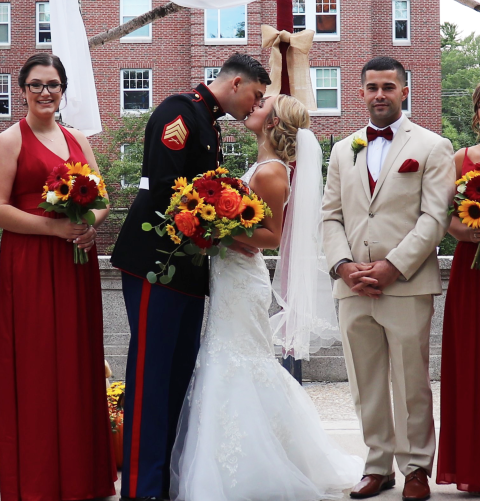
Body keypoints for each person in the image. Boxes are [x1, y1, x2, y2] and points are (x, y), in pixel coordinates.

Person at [169, 94, 364, 501]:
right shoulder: (262, 165)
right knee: (228, 355)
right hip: (229, 275)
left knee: (237, 359)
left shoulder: (273, 172)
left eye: (263, 104)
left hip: (243, 278)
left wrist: (212, 228)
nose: (253, 105)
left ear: (274, 122)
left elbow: (270, 237)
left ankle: (251, 466)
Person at [110, 53, 271, 500]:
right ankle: (142, 490)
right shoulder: (178, 112)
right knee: (151, 377)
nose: (253, 106)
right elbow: (165, 189)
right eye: (255, 95)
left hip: (187, 270)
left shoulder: (209, 121)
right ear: (236, 83)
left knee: (177, 378)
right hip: (155, 265)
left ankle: (162, 483)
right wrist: (224, 227)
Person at [322, 56, 455, 501]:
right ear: (360, 93)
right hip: (352, 286)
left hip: (407, 282)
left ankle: (417, 467)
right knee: (365, 381)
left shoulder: (434, 146)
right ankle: (377, 464)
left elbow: (434, 218)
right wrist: (343, 265)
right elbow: (330, 216)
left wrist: (393, 265)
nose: (380, 94)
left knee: (412, 379)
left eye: (389, 86)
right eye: (372, 87)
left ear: (405, 91)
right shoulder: (344, 149)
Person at [0, 54, 116, 501]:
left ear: (63, 89)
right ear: (23, 90)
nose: (45, 92)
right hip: (28, 263)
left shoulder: (78, 140)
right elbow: (1, 208)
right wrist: (53, 226)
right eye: (36, 85)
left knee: (76, 358)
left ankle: (81, 476)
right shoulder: (10, 141)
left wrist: (89, 225)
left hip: (74, 264)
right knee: (35, 363)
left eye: (52, 85)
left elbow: (102, 195)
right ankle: (35, 477)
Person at [436, 83, 480, 492]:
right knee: (473, 361)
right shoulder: (461, 158)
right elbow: (444, 217)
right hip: (473, 270)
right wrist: (468, 233)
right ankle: (473, 467)